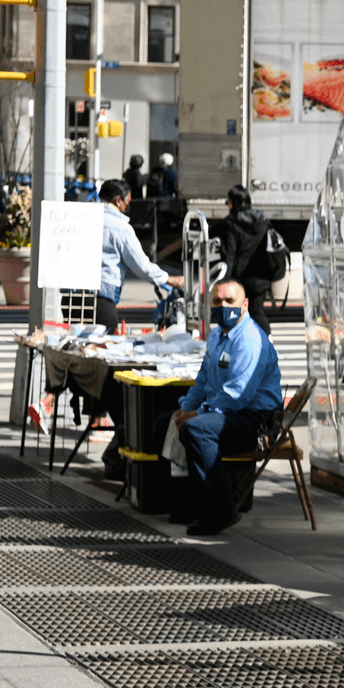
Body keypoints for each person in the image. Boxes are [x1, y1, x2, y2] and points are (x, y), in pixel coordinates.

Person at [155, 280, 281, 536]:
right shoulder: (216, 335)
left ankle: (221, 509)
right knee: (164, 423)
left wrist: (198, 414)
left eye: (229, 301)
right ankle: (190, 502)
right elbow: (202, 380)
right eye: (217, 302)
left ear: (244, 305)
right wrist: (186, 408)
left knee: (197, 429)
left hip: (254, 418)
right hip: (225, 411)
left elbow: (238, 395)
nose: (223, 307)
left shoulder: (249, 339)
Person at [98, 179, 183, 477]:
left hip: (76, 297)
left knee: (96, 363)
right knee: (110, 368)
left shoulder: (86, 216)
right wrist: (170, 280)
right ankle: (123, 435)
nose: (129, 207)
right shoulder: (120, 227)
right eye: (129, 201)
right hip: (103, 297)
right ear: (120, 200)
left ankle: (112, 429)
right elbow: (142, 265)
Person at [217, 185, 273, 331]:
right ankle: (266, 343)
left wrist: (225, 280)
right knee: (256, 312)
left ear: (235, 203)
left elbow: (229, 253)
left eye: (229, 202)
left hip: (240, 276)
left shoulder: (231, 223)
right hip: (261, 274)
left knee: (237, 314)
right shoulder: (262, 220)